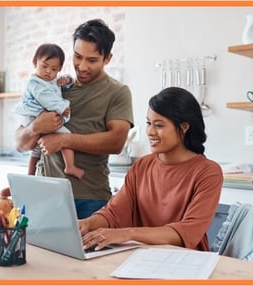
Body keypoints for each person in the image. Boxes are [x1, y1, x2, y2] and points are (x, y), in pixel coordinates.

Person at [79, 87, 223, 251]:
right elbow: (114, 213)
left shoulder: (208, 172)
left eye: (159, 125)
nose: (150, 132)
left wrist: (128, 234)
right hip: (140, 256)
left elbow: (186, 232)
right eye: (149, 123)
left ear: (184, 127)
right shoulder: (142, 166)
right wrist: (87, 223)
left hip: (186, 261)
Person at [15, 19, 134, 219]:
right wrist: (35, 127)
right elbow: (20, 144)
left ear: (108, 58)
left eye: (92, 60)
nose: (82, 66)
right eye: (77, 57)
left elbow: (116, 142)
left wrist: (63, 140)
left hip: (91, 198)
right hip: (45, 194)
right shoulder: (53, 87)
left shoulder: (117, 92)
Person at [14, 43, 84, 179]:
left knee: (37, 148)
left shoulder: (52, 80)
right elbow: (45, 98)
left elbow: (64, 84)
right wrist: (62, 107)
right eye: (44, 66)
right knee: (66, 134)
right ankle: (70, 166)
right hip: (33, 116)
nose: (48, 72)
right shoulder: (35, 82)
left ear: (59, 69)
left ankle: (30, 176)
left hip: (36, 116)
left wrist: (67, 80)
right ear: (35, 62)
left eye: (54, 69)